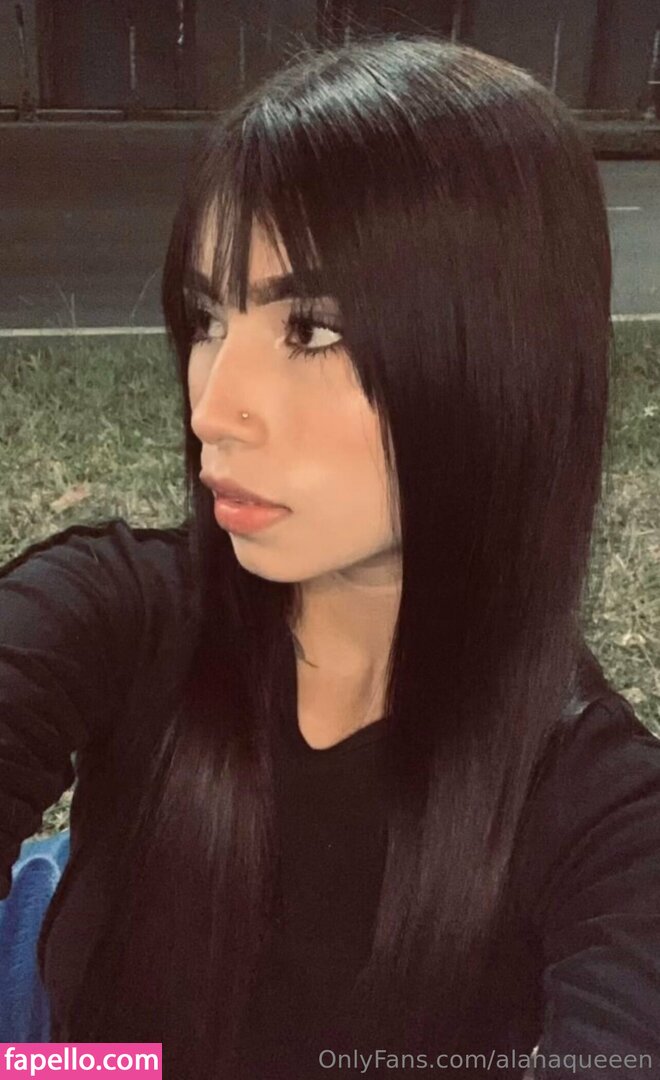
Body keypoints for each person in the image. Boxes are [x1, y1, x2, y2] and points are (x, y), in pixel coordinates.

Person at [1, 32, 659, 1080]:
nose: (212, 409)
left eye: (309, 330)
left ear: (498, 360)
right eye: (207, 318)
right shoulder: (119, 606)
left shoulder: (601, 813)